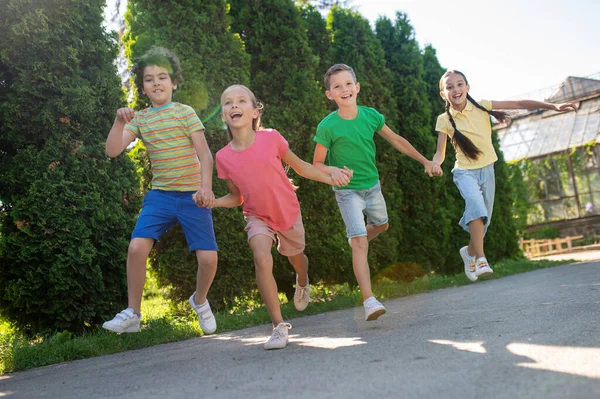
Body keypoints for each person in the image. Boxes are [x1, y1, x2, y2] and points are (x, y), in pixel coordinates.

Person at [200, 84, 351, 350]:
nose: (234, 106)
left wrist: (332, 176)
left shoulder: (271, 138)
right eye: (227, 103)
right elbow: (237, 198)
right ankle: (278, 327)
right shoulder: (223, 157)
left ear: (255, 111)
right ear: (223, 115)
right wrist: (215, 202)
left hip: (287, 210)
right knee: (260, 255)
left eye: (241, 101)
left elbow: (302, 167)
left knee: (297, 259)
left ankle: (302, 280)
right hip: (257, 216)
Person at [102, 46, 219, 335]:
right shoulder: (140, 119)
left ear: (174, 82)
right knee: (137, 247)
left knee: (208, 259)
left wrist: (206, 187)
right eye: (149, 78)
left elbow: (205, 155)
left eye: (163, 77)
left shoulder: (185, 112)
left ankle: (200, 300)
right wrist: (120, 122)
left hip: (193, 195)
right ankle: (133, 313)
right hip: (161, 197)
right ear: (142, 87)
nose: (157, 82)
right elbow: (113, 150)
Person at [312, 63, 435, 321]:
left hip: (372, 187)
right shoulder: (328, 126)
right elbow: (317, 164)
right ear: (329, 95)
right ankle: (369, 299)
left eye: (348, 84)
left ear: (357, 88)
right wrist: (332, 170)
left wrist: (425, 161)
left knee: (381, 226)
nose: (344, 89)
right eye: (337, 87)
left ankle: (357, 241)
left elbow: (396, 140)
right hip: (347, 192)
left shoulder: (370, 116)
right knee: (359, 242)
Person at [432, 69, 578, 281]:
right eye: (450, 87)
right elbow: (440, 152)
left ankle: (470, 253)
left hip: (487, 170)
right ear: (443, 94)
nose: (456, 89)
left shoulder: (482, 106)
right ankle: (481, 259)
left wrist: (553, 106)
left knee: (483, 222)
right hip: (464, 172)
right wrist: (435, 164)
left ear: (467, 87)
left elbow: (518, 104)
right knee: (476, 206)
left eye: (460, 84)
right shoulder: (444, 119)